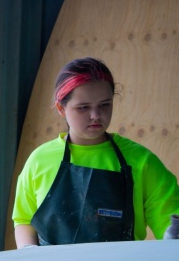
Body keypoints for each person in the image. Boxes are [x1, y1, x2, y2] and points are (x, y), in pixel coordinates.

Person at [12, 57, 179, 248]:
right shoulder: (39, 160)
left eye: (105, 104)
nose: (96, 116)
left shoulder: (142, 161)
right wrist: (29, 251)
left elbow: (170, 222)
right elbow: (24, 219)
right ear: (61, 108)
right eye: (83, 107)